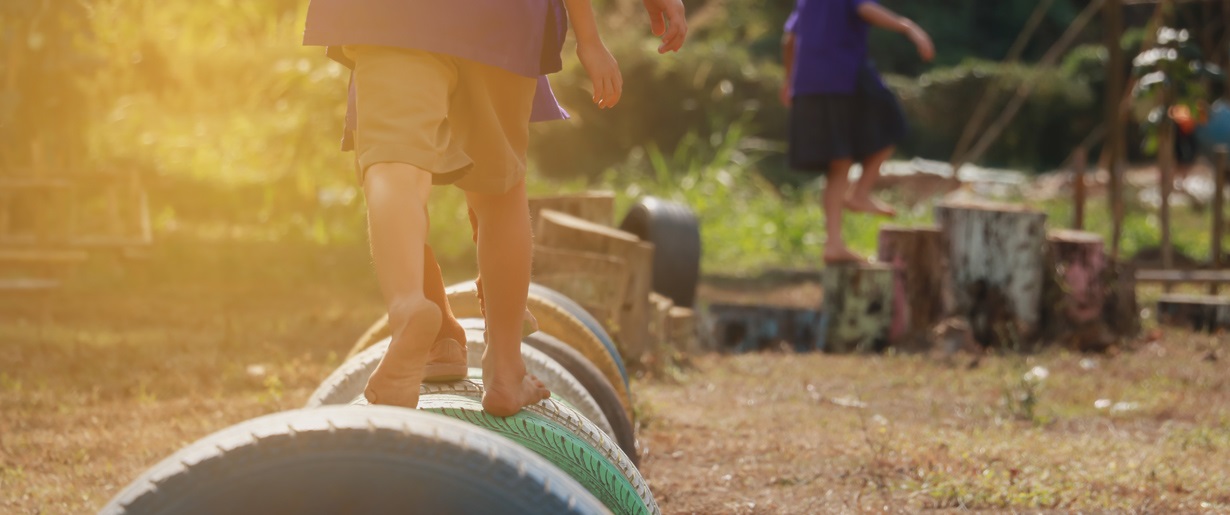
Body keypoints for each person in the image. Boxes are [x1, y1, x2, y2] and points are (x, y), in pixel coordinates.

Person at [302, 0, 683, 417]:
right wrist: (588, 39)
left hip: (388, 14)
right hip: (501, 18)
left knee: (394, 165)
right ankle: (505, 370)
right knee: (498, 192)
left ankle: (412, 308)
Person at [780, 0, 933, 263]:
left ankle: (834, 244)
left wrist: (789, 80)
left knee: (838, 163)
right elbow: (864, 8)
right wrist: (908, 27)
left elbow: (789, 39)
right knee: (893, 124)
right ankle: (860, 193)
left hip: (809, 85)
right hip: (843, 77)